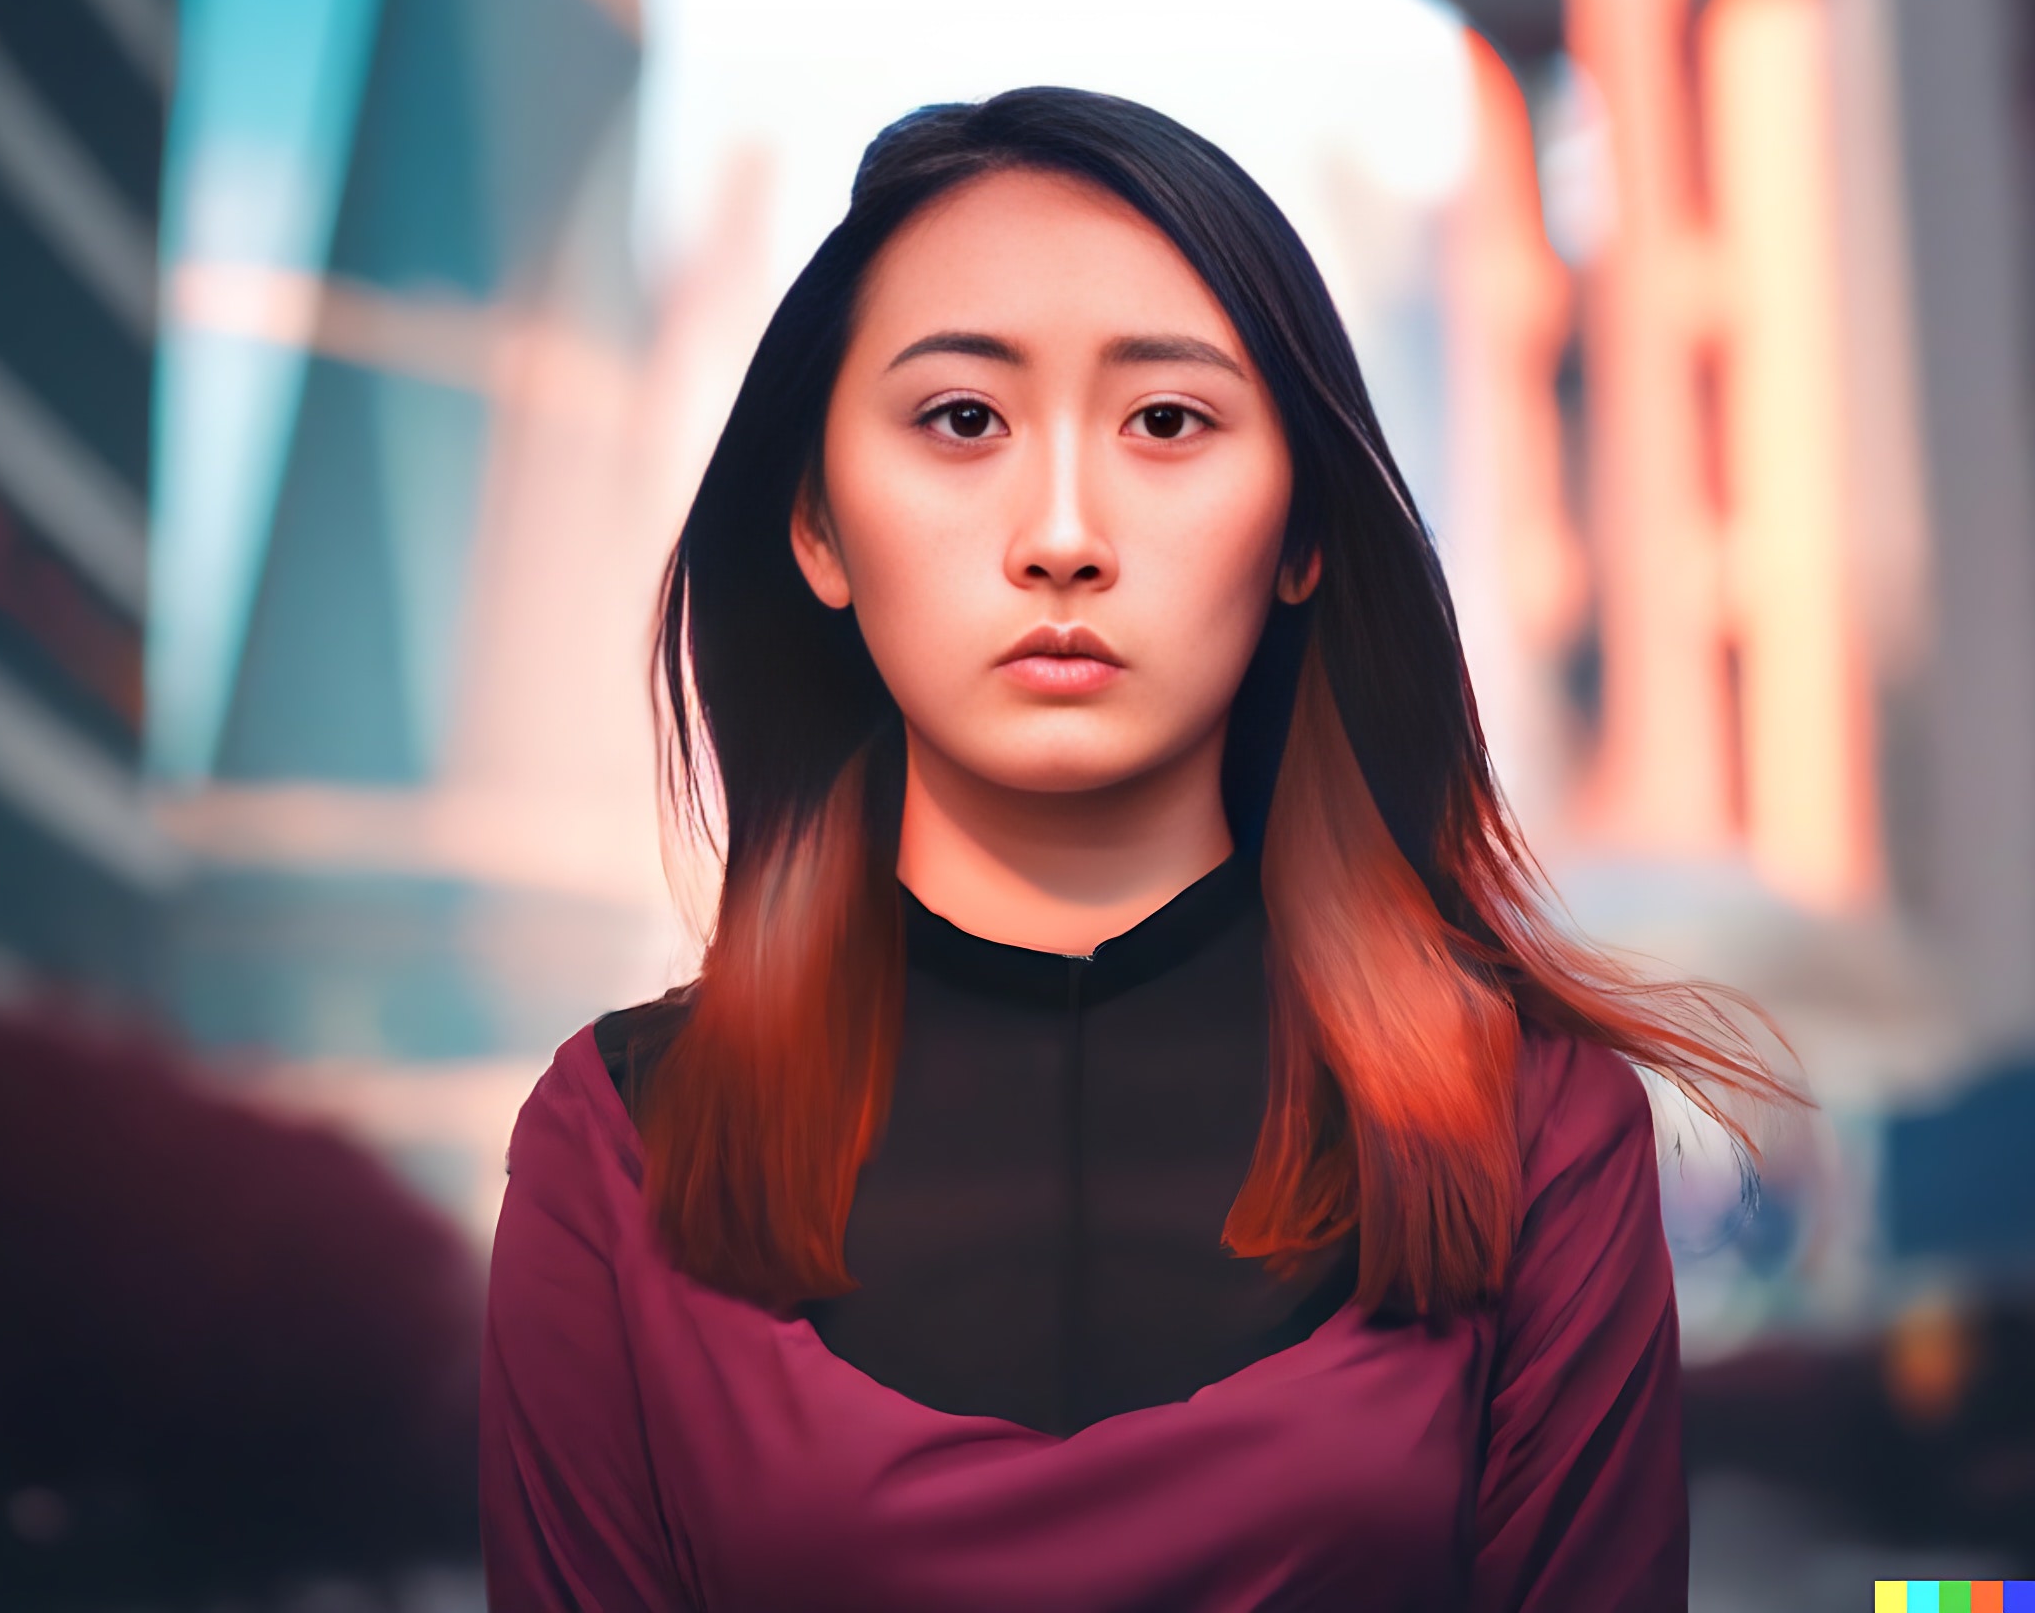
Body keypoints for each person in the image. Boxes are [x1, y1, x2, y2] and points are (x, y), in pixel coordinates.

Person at [479, 87, 1796, 1610]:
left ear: (1305, 531)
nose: (1062, 533)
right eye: (961, 420)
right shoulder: (616, 1148)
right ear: (819, 528)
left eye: (1165, 422)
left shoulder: (1539, 1138)